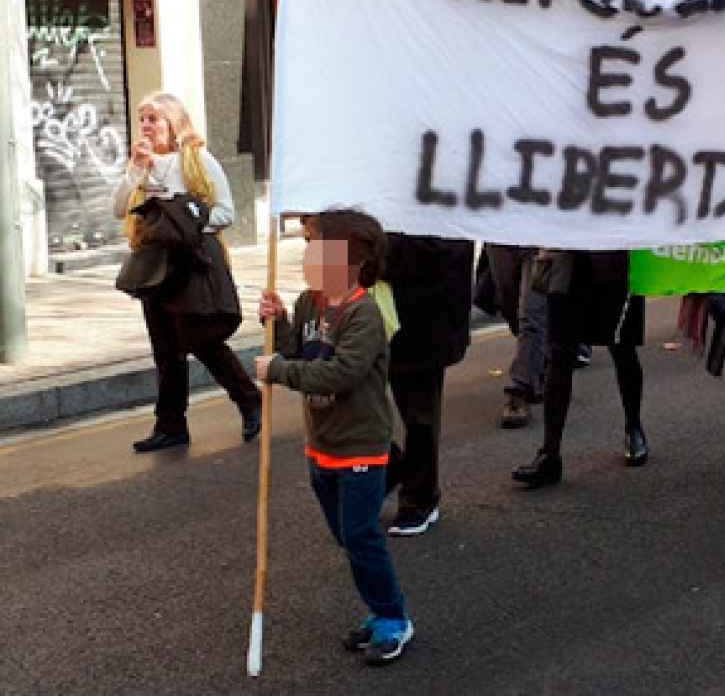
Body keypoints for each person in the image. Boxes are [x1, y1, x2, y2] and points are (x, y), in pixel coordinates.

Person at [256, 210, 414, 665]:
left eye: (315, 245)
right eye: (306, 243)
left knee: (361, 536)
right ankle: (378, 607)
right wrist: (279, 321)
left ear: (352, 260)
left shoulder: (364, 313)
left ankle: (393, 618)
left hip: (360, 447)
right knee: (347, 538)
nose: (306, 253)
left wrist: (280, 372)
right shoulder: (310, 302)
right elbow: (295, 353)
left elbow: (339, 373)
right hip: (322, 445)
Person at [111, 92, 259, 453]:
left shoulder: (196, 160)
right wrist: (135, 171)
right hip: (154, 264)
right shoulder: (143, 165)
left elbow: (225, 211)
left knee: (199, 337)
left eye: (154, 119)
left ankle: (249, 400)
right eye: (142, 118)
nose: (146, 126)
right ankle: (171, 425)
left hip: (192, 262)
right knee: (165, 349)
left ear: (173, 123)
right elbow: (119, 209)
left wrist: (187, 226)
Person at [513, 251, 649, 488]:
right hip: (568, 264)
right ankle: (550, 454)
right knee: (559, 355)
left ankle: (633, 426)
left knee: (623, 349)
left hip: (615, 261)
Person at [382, 233, 475, 537]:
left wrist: (372, 251)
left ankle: (420, 499)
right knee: (358, 405)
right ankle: (394, 469)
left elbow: (443, 251)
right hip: (380, 313)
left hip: (426, 320)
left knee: (419, 415)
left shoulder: (441, 204)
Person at [488, 244, 550, 429]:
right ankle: (537, 364)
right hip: (502, 235)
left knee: (531, 314)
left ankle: (519, 390)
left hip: (539, 236)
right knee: (509, 307)